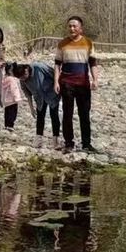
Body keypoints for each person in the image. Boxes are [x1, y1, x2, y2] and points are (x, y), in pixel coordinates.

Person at [54, 16, 99, 153]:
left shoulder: (88, 43)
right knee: (67, 114)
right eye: (70, 26)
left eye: (74, 26)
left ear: (81, 28)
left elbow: (93, 63)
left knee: (84, 114)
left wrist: (95, 79)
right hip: (66, 83)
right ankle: (69, 143)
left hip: (83, 84)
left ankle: (86, 143)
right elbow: (57, 64)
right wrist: (55, 81)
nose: (72, 29)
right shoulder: (62, 44)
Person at [14, 60, 61, 148]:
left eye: (24, 76)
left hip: (52, 94)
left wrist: (57, 85)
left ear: (26, 70)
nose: (24, 79)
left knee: (54, 115)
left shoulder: (39, 67)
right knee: (40, 116)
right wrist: (31, 108)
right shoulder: (22, 79)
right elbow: (27, 94)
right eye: (21, 78)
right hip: (39, 98)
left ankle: (56, 140)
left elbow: (54, 74)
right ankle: (38, 139)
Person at [1, 62, 24, 131]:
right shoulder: (12, 79)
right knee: (13, 113)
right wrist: (17, 98)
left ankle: (6, 125)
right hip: (12, 100)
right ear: (11, 70)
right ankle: (10, 125)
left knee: (7, 113)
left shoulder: (5, 78)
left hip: (6, 100)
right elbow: (14, 90)